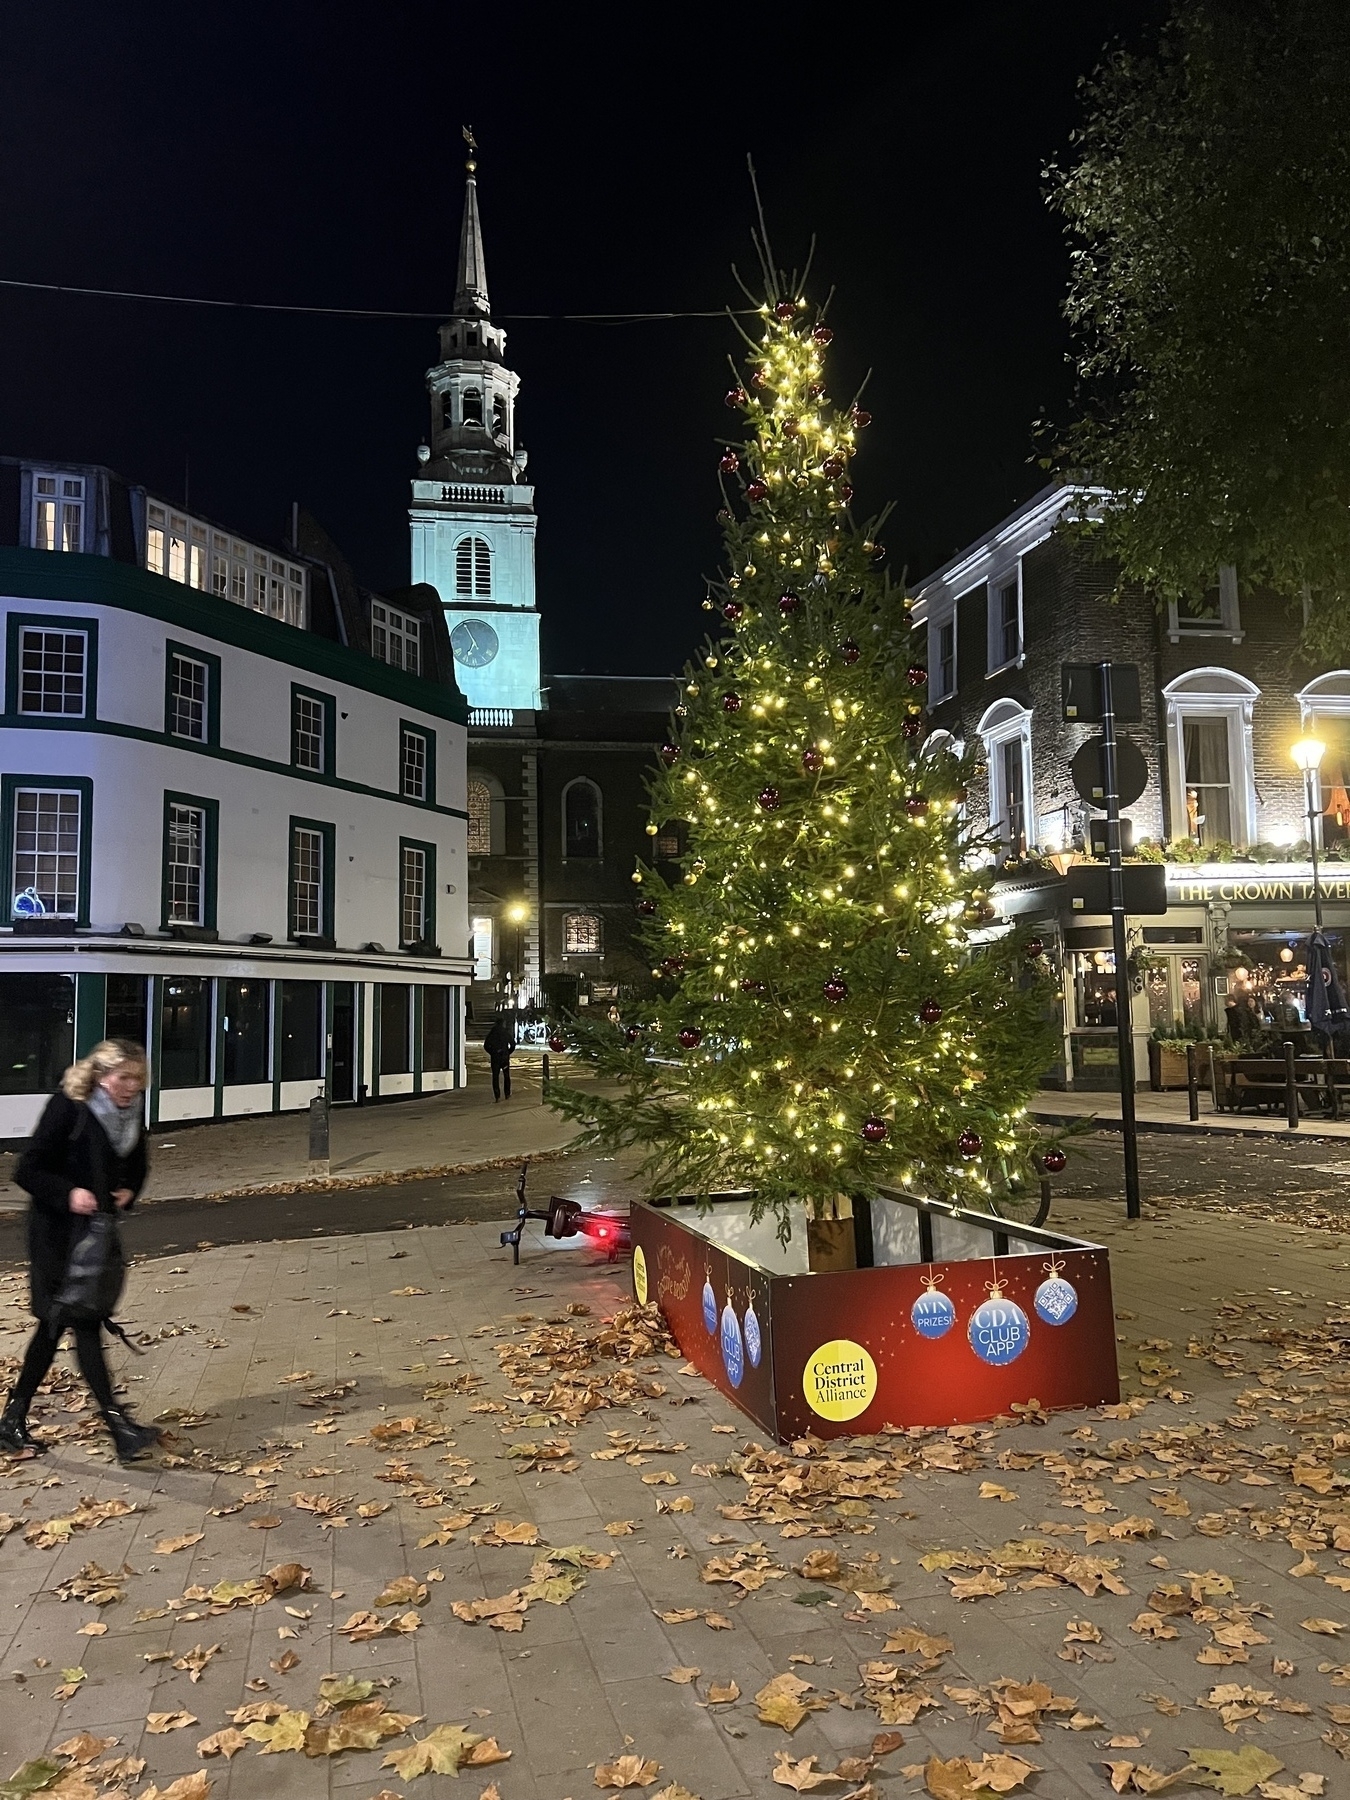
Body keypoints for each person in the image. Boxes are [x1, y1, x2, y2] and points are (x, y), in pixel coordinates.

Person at [0, 1040, 160, 1462]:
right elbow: (28, 1168)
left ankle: (12, 1419)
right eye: (123, 1077)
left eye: (137, 1079)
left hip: (97, 1235)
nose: (131, 1087)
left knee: (60, 1325)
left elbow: (139, 1165)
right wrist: (69, 1193)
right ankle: (118, 1428)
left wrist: (129, 1189)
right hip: (56, 1235)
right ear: (100, 1074)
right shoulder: (69, 1107)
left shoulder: (131, 1115)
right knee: (78, 1322)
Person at [483, 1013, 515, 1101]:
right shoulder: (505, 1032)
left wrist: (492, 1052)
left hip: (495, 1058)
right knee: (506, 1075)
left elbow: (486, 1045)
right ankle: (507, 1093)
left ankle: (497, 1095)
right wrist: (508, 1052)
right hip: (504, 1057)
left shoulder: (492, 1033)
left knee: (495, 1076)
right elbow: (512, 1044)